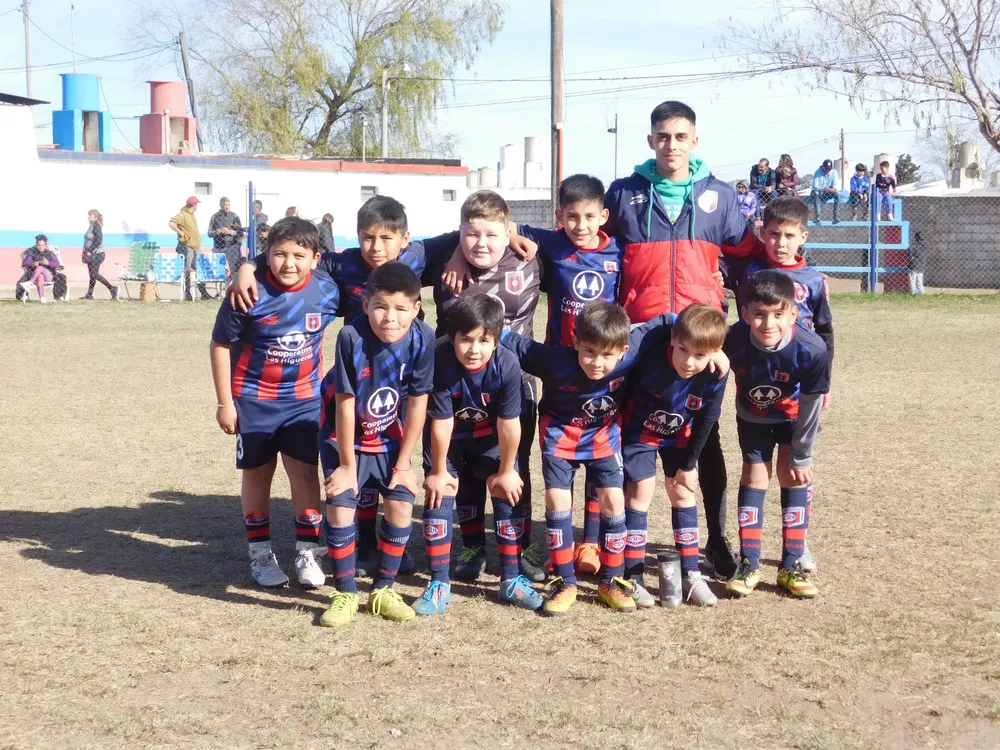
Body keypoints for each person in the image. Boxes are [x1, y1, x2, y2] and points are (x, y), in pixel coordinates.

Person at [229, 195, 534, 576]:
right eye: (368, 238)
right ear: (358, 237)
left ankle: (397, 546)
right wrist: (247, 265)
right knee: (360, 466)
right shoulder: (343, 263)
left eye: (387, 239)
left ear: (404, 240)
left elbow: (465, 233)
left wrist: (498, 238)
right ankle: (364, 542)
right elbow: (297, 254)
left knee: (392, 464)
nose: (377, 248)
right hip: (358, 382)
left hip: (403, 385)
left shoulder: (420, 254)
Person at [601, 100, 757, 581]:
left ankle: (714, 539)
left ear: (695, 140)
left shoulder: (722, 197)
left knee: (703, 441)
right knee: (625, 436)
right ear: (651, 141)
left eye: (680, 136)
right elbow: (587, 244)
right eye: (662, 136)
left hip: (701, 339)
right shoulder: (624, 193)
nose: (671, 145)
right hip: (644, 339)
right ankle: (610, 541)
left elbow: (750, 258)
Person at [501, 302, 678, 615]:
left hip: (603, 437)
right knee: (557, 501)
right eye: (589, 352)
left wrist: (715, 347)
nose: (598, 363)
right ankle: (565, 580)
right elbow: (510, 339)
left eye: (608, 355)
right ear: (575, 342)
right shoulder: (553, 360)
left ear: (623, 350)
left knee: (613, 500)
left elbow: (669, 320)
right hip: (559, 437)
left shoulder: (633, 349)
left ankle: (611, 579)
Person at [209, 217, 341, 590]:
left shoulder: (327, 291)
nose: (289, 263)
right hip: (253, 399)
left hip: (303, 401)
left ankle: (307, 551)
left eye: (299, 255)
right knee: (257, 473)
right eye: (280, 254)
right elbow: (219, 344)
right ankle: (260, 552)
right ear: (267, 255)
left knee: (303, 473)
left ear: (315, 258)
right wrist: (225, 403)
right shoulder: (247, 292)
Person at [512, 174, 622, 577]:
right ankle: (562, 544)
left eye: (589, 216)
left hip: (604, 367)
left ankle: (591, 542)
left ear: (603, 216)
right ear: (560, 217)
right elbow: (503, 222)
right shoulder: (553, 243)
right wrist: (506, 234)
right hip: (560, 365)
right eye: (572, 217)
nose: (581, 225)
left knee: (599, 453)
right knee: (561, 454)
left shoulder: (618, 252)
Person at [431, 190, 544, 584]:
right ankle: (474, 545)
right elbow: (404, 247)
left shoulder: (530, 255)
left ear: (507, 230)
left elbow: (577, 239)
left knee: (513, 468)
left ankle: (521, 545)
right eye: (471, 235)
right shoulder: (444, 256)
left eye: (492, 235)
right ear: (459, 233)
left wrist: (511, 230)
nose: (481, 243)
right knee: (466, 470)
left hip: (515, 385)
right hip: (455, 386)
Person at [319, 262, 435, 626]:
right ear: (366, 303)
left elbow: (418, 402)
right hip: (346, 438)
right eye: (381, 306)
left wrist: (404, 464)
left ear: (416, 308)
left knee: (401, 504)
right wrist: (347, 465)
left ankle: (384, 589)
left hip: (390, 438)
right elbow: (345, 402)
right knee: (341, 505)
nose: (390, 318)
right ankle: (345, 593)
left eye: (401, 308)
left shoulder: (423, 337)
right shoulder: (351, 336)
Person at [416, 294, 539, 616]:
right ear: (452, 337)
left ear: (496, 339)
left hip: (491, 438)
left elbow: (509, 423)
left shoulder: (508, 363)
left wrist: (509, 469)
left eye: (484, 341)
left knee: (505, 486)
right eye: (466, 340)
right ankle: (439, 583)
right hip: (450, 439)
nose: (474, 349)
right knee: (439, 492)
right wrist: (439, 470)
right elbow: (440, 422)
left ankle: (512, 578)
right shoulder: (439, 358)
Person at [724, 270, 829, 599]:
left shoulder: (812, 349)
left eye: (778, 315)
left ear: (793, 314)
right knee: (755, 477)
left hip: (793, 418)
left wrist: (802, 452)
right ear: (744, 313)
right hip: (752, 416)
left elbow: (812, 408)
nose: (768, 324)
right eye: (759, 314)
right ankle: (749, 563)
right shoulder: (732, 339)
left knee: (794, 476)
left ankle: (791, 565)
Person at [622, 303, 730, 607]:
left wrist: (689, 465)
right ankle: (633, 574)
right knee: (641, 490)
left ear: (715, 351)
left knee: (682, 490)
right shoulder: (650, 353)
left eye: (700, 355)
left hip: (681, 435)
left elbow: (708, 418)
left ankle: (691, 574)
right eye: (683, 350)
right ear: (672, 339)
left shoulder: (716, 372)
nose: (689, 362)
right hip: (640, 433)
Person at [169, 196, 211, 300]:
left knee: (201, 268)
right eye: (197, 204)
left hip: (195, 247)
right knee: (187, 270)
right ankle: (187, 293)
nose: (197, 206)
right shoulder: (182, 215)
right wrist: (180, 232)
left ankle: (203, 292)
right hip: (186, 246)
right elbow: (172, 223)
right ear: (193, 204)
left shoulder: (192, 215)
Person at [81, 210, 118, 300]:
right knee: (92, 275)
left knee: (94, 274)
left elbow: (99, 240)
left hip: (97, 254)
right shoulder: (91, 225)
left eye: (90, 215)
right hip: (91, 254)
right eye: (88, 215)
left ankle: (112, 288)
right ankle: (89, 294)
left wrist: (90, 250)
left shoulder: (96, 226)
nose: (88, 216)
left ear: (95, 216)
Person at [208, 197, 245, 281]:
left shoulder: (234, 216)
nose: (227, 207)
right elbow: (209, 233)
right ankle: (221, 288)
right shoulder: (214, 217)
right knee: (218, 272)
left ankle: (232, 285)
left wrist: (230, 232)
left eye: (228, 205)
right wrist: (217, 232)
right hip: (219, 247)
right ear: (220, 205)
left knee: (235, 270)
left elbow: (240, 233)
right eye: (225, 205)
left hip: (232, 247)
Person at [18, 234, 62, 303]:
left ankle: (30, 283)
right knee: (40, 276)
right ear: (36, 245)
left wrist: (48, 263)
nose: (40, 247)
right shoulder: (32, 253)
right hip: (36, 276)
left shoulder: (50, 253)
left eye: (42, 245)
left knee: (41, 267)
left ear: (45, 245)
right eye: (39, 245)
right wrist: (32, 264)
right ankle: (42, 298)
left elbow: (57, 265)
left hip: (49, 275)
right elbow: (25, 263)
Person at [810, 159, 840, 223]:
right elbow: (815, 186)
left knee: (837, 195)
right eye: (826, 168)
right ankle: (818, 216)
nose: (828, 170)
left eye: (829, 169)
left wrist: (832, 189)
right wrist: (824, 188)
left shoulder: (834, 172)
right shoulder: (817, 172)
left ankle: (836, 216)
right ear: (823, 167)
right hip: (818, 192)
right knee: (816, 194)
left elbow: (834, 184)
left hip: (828, 192)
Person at [908, 230, 925, 294]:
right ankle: (921, 293)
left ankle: (912, 293)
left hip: (913, 265)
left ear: (915, 237)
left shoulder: (912, 245)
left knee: (912, 280)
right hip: (921, 265)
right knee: (920, 281)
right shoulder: (923, 246)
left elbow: (909, 254)